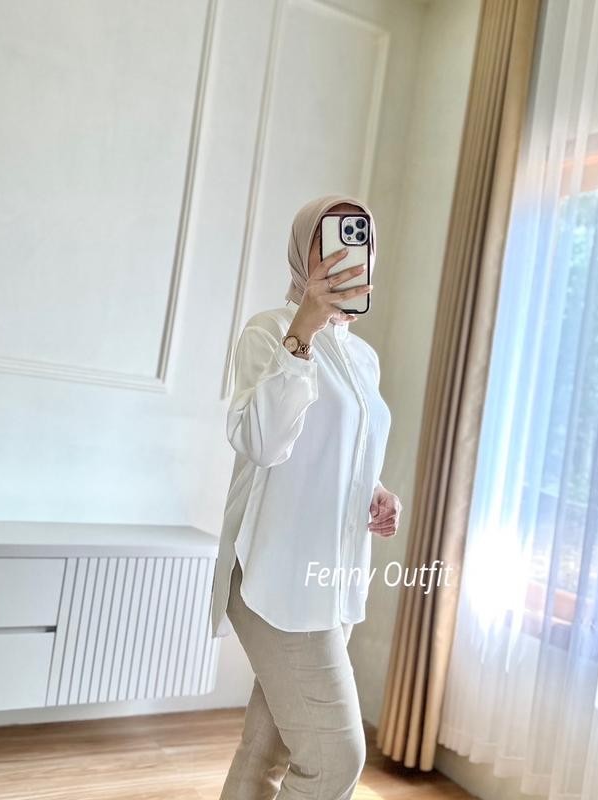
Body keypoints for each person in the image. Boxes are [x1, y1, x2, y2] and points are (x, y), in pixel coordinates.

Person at [211, 194, 401, 799]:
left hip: (333, 579)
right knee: (335, 759)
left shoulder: (364, 357)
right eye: (328, 238)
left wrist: (375, 492)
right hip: (274, 573)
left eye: (357, 237)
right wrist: (303, 331)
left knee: (266, 751)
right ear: (302, 251)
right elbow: (263, 443)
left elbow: (340, 452)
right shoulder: (269, 331)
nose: (343, 253)